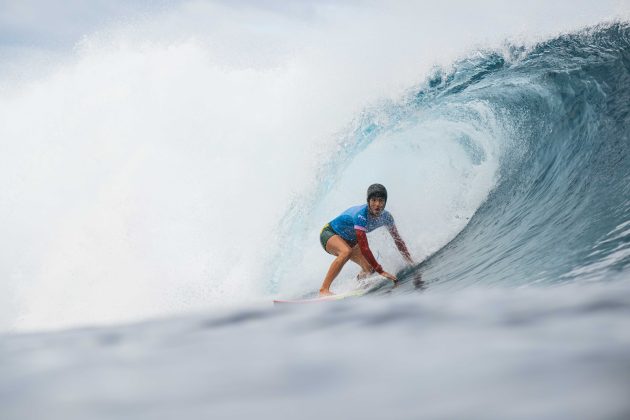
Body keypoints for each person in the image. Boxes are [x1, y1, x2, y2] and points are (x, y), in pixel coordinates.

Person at [319, 184, 414, 296]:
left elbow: (398, 241)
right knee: (346, 252)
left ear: (385, 202)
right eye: (373, 200)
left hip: (350, 241)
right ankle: (324, 289)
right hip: (329, 233)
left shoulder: (387, 217)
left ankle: (357, 285)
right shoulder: (361, 216)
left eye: (381, 201)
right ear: (368, 201)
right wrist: (381, 271)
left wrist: (410, 262)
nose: (377, 204)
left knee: (369, 270)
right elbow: (364, 247)